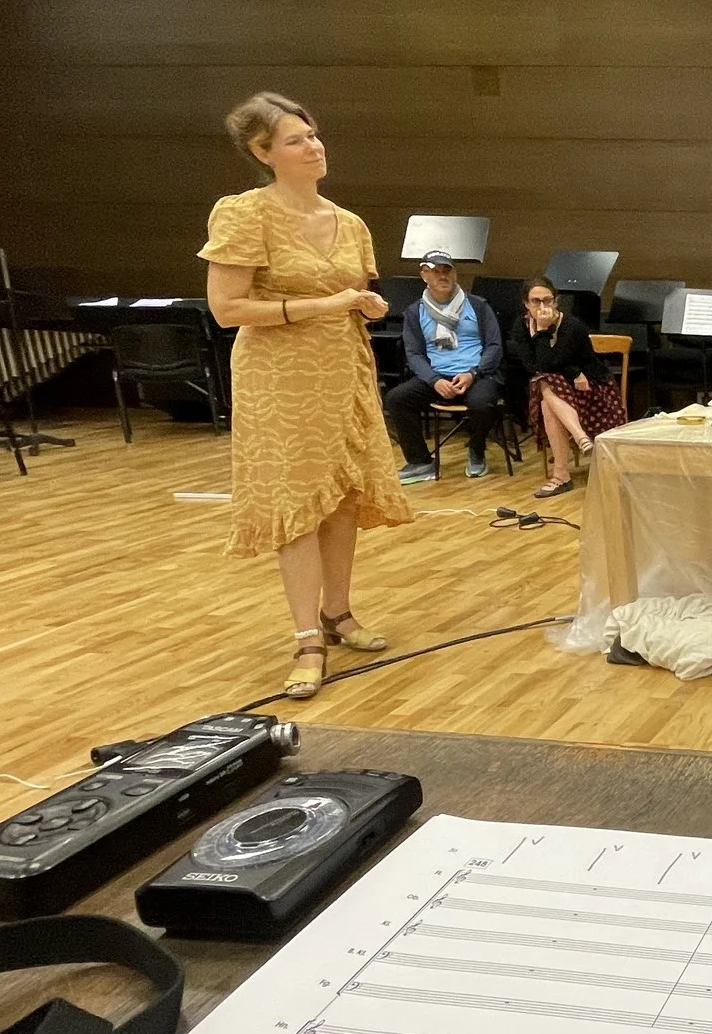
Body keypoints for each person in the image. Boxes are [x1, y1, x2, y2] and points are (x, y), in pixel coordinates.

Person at [200, 92, 413, 701]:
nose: (312, 146)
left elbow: (357, 296)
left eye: (313, 135)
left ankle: (338, 614)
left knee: (343, 496)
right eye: (295, 140)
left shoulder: (349, 223)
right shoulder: (244, 215)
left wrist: (364, 305)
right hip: (278, 380)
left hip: (342, 369)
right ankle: (305, 639)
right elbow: (226, 310)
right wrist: (328, 304)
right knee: (297, 506)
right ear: (262, 152)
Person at [384, 252, 503, 483]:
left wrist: (473, 373)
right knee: (396, 398)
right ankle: (420, 462)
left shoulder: (478, 306)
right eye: (435, 271)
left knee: (482, 403)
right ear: (424, 275)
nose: (442, 276)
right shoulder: (414, 312)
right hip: (437, 376)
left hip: (477, 374)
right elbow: (414, 354)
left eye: (447, 270)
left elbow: (495, 346)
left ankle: (476, 452)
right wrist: (434, 380)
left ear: (455, 273)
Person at [505, 276, 627, 498]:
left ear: (556, 301)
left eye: (547, 300)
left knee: (545, 389)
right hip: (560, 390)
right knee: (545, 384)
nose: (542, 307)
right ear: (526, 304)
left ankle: (561, 476)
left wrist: (570, 369)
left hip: (591, 390)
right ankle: (580, 438)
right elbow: (535, 366)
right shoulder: (521, 326)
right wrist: (542, 331)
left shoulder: (571, 326)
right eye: (535, 301)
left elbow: (557, 362)